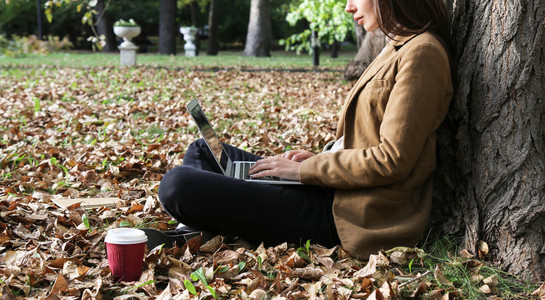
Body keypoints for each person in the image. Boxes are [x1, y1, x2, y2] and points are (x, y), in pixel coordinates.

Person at [156, 0, 453, 259]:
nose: (349, 6)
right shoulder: (399, 45)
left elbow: (393, 159)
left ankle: (196, 225)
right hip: (333, 189)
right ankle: (200, 225)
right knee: (201, 149)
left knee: (176, 184)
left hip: (348, 215)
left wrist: (306, 170)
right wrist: (316, 159)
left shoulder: (422, 53)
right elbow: (368, 136)